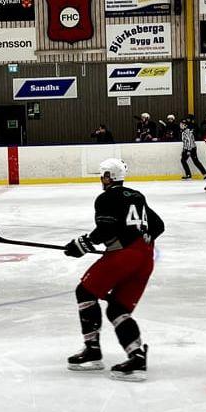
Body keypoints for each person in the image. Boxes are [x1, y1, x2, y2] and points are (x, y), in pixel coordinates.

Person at [63, 158, 164, 381]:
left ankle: (92, 351)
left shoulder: (106, 197)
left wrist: (82, 244)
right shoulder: (137, 195)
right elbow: (158, 225)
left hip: (124, 255)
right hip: (146, 257)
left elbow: (106, 229)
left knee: (85, 292)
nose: (102, 179)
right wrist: (142, 238)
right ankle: (136, 358)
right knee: (117, 308)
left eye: (103, 175)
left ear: (109, 176)